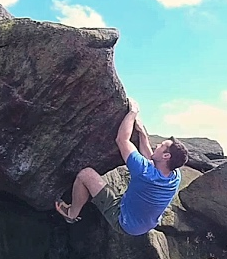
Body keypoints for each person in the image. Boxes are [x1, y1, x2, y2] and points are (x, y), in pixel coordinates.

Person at [55, 98, 189, 236]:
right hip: (144, 223)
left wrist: (133, 111)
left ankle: (71, 214)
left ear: (166, 156)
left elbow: (122, 140)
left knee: (85, 175)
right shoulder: (175, 175)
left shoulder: (144, 172)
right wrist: (142, 135)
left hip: (124, 222)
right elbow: (153, 160)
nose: (158, 145)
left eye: (162, 146)